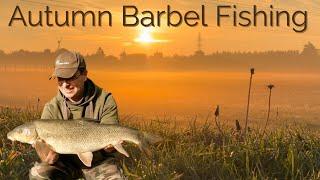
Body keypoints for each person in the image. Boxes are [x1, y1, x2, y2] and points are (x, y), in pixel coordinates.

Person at [29, 50, 126, 180]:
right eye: (60, 78)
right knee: (37, 174)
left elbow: (111, 146)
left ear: (84, 74)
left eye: (70, 77)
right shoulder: (51, 108)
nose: (65, 84)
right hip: (65, 163)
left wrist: (111, 147)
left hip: (99, 163)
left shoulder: (105, 100)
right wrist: (48, 156)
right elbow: (49, 158)